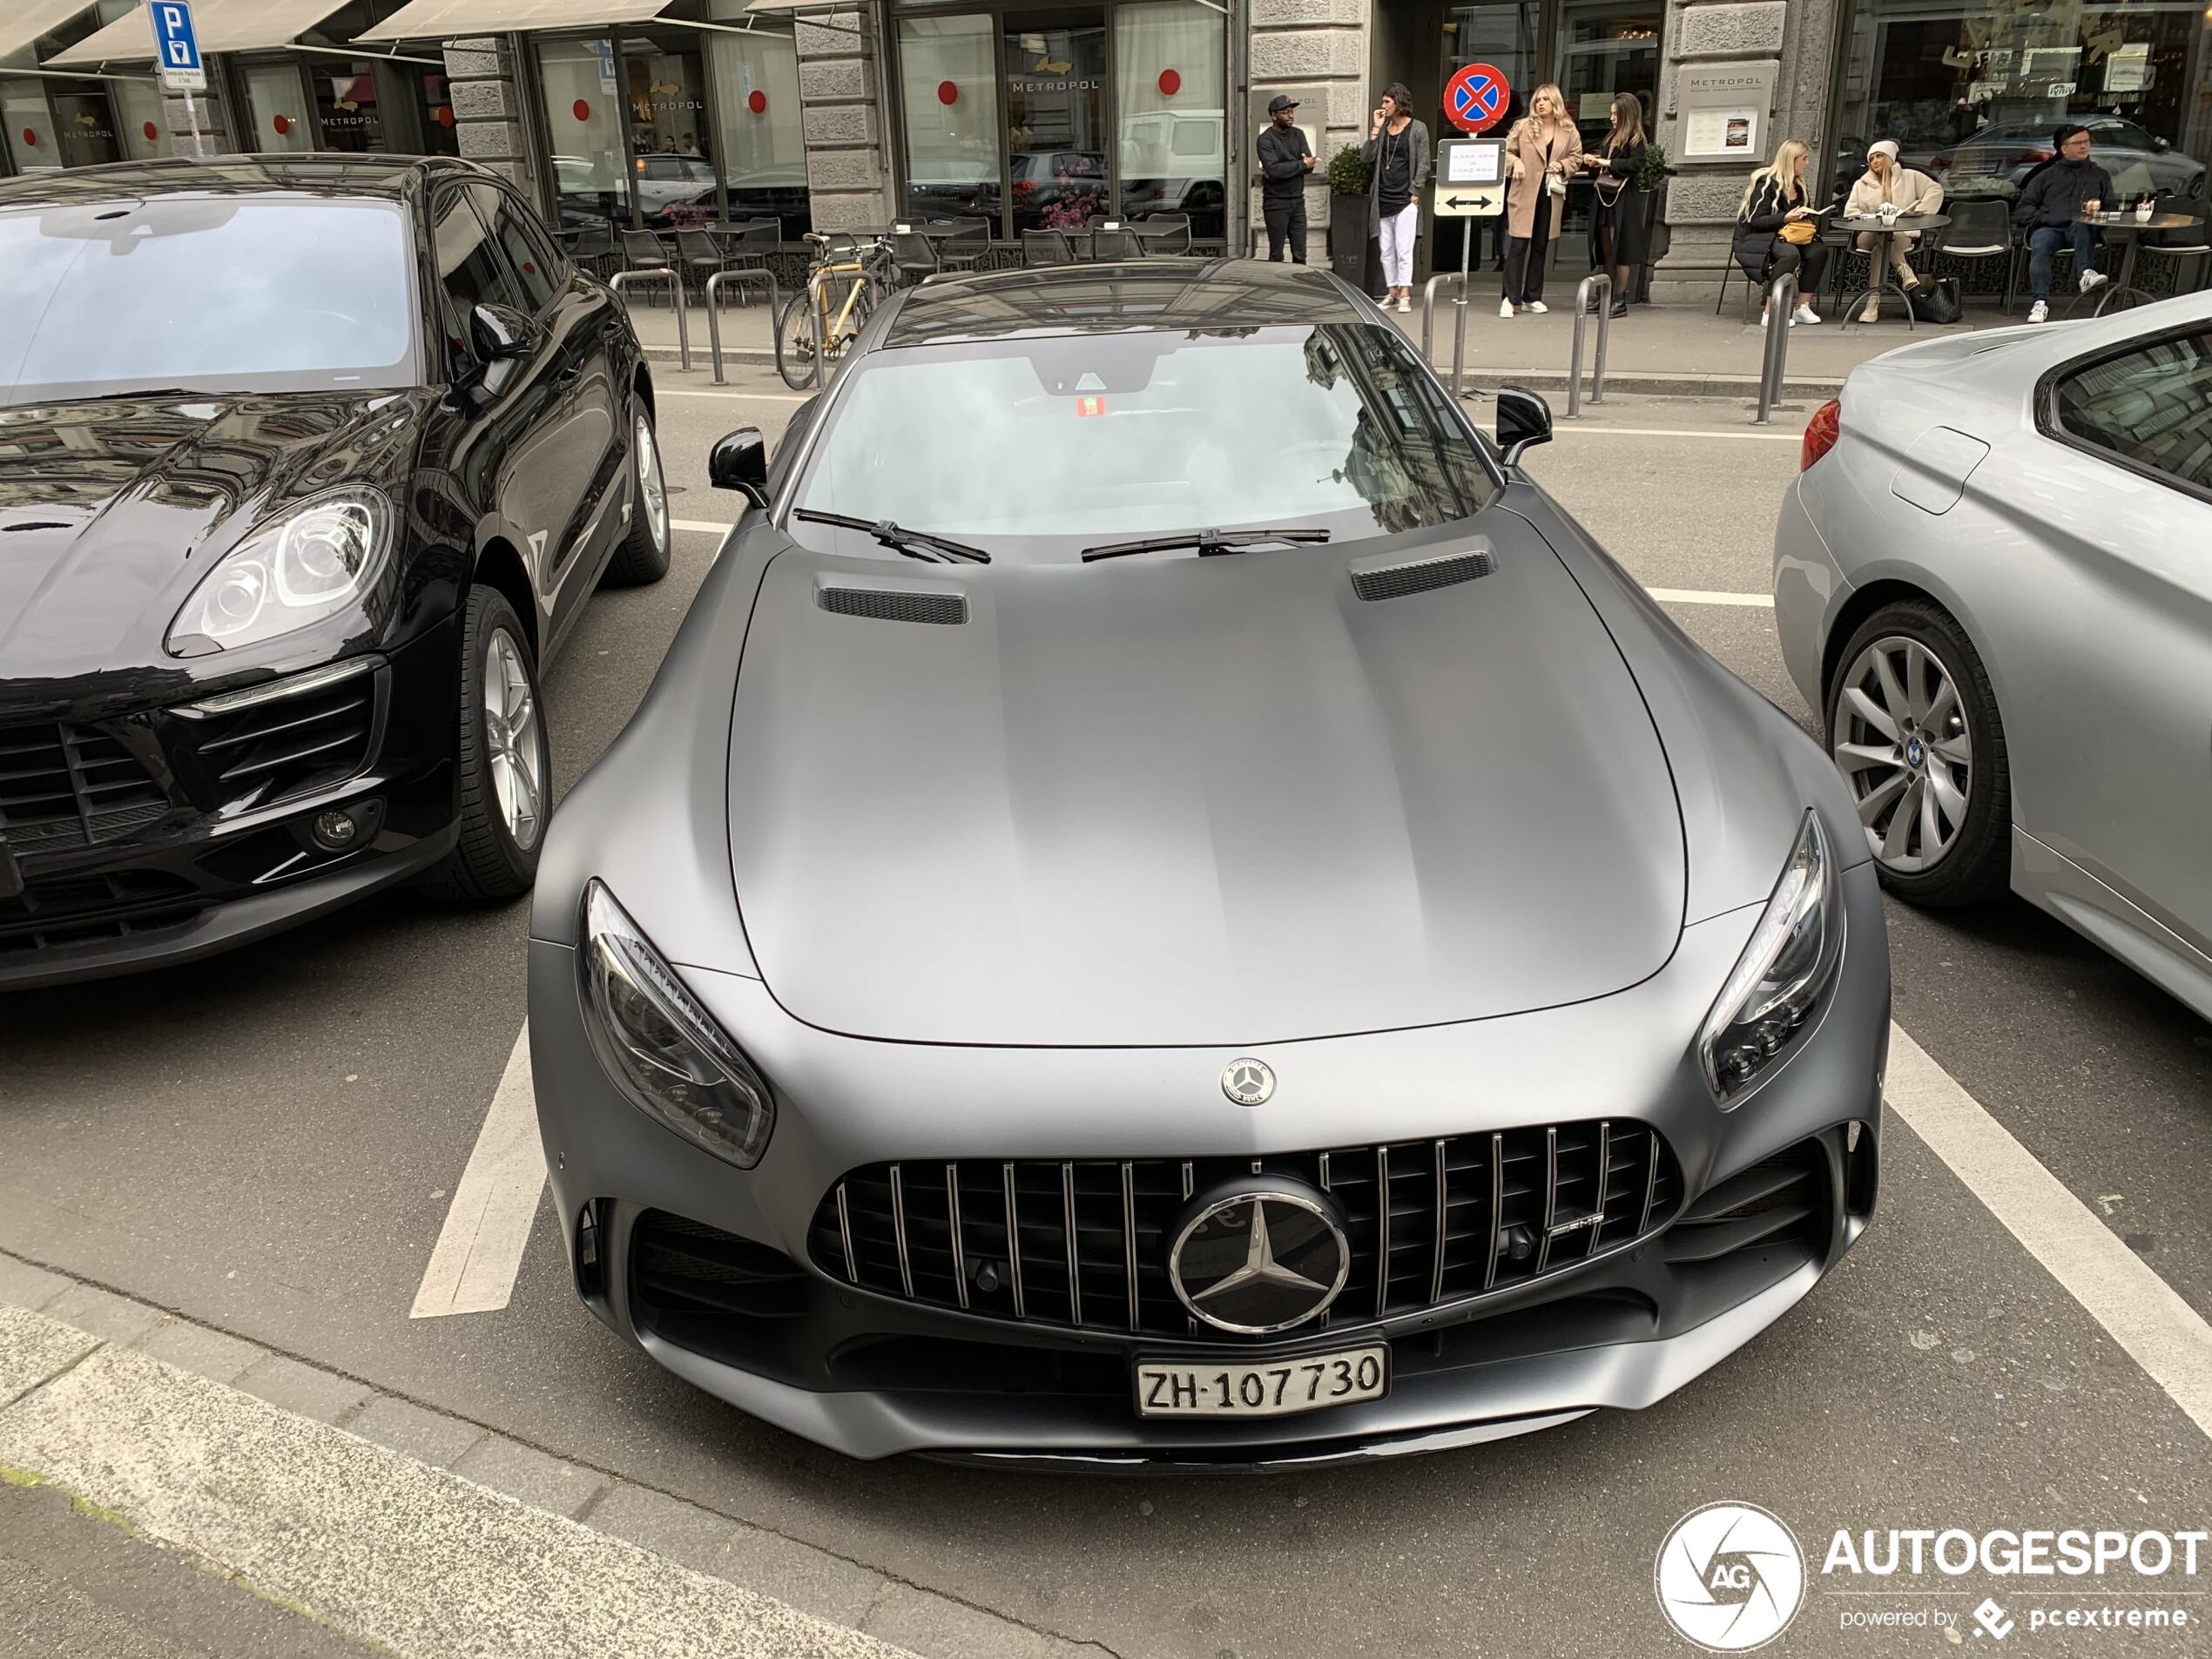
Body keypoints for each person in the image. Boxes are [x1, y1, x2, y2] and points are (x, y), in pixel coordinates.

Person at [2013, 124, 2113, 324]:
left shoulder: (2100, 175)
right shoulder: (2046, 175)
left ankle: (2086, 273)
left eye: (2086, 142)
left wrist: (2098, 212)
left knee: (2082, 224)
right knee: (2040, 241)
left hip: (2082, 230)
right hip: (2051, 228)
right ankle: (2040, 302)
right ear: (2064, 149)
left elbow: (2112, 209)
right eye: (2078, 143)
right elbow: (2023, 210)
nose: (2084, 146)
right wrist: (2046, 218)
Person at [1498, 84, 1581, 318]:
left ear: (1556, 103)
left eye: (1545, 99)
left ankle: (1532, 297)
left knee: (1541, 246)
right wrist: (1517, 163)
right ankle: (1509, 298)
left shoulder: (1568, 129)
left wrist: (1562, 165)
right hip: (1524, 192)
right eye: (1537, 100)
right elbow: (1506, 151)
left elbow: (1576, 157)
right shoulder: (1523, 126)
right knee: (1518, 245)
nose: (1541, 103)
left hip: (1549, 194)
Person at [1732, 138, 1828, 327]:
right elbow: (1756, 220)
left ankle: (1802, 307)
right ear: (1791, 160)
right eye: (1804, 159)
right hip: (1763, 236)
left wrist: (1806, 215)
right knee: (1790, 255)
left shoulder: (1799, 185)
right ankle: (1771, 310)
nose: (1807, 163)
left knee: (1819, 251)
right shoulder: (1766, 184)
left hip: (1791, 233)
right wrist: (1785, 218)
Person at [1844, 139, 1943, 321]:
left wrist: (1917, 214)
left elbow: (1935, 190)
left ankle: (1872, 304)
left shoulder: (1910, 177)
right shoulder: (1861, 184)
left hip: (1900, 236)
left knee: (1880, 249)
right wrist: (1870, 217)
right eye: (1872, 158)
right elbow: (1850, 213)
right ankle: (1905, 272)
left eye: (1879, 156)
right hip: (1867, 235)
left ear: (1890, 158)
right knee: (1881, 230)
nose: (1875, 161)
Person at [1578, 91, 1649, 320]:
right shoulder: (1610, 137)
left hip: (1623, 200)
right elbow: (1602, 167)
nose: (1612, 118)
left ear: (1626, 114)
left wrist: (1607, 162)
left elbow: (1636, 164)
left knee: (1621, 251)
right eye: (1611, 114)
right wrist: (1593, 162)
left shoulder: (1636, 139)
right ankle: (1605, 295)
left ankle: (1620, 300)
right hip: (1605, 198)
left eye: (1615, 114)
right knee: (1606, 249)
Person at [1363, 83, 1430, 314]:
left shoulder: (1418, 129)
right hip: (1382, 198)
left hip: (1405, 199)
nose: (1382, 106)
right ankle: (1391, 291)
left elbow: (1423, 162)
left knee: (1404, 248)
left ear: (1399, 102)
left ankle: (1405, 293)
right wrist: (1375, 128)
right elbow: (1366, 158)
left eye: (1387, 102)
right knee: (1386, 249)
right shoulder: (1383, 129)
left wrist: (1415, 191)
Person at [1257, 95, 1315, 264]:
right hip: (1276, 202)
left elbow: (1310, 165)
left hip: (1297, 201)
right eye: (1285, 112)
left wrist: (1295, 166)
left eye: (1292, 112)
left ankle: (1300, 288)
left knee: (1301, 253)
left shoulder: (1298, 134)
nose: (1291, 116)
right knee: (1277, 254)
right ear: (1274, 116)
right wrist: (1300, 165)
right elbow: (1275, 171)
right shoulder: (1266, 140)